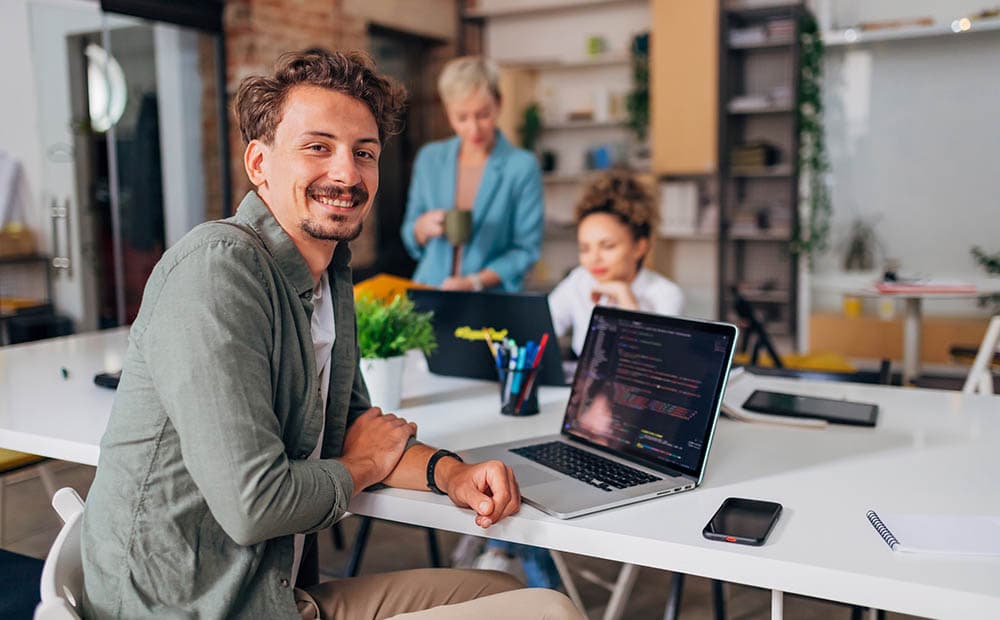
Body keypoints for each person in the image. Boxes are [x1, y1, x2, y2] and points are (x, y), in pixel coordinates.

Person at [80, 48, 580, 620]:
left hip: (273, 593)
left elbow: (359, 433)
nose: (346, 173)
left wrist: (454, 474)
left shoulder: (329, 274)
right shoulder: (217, 272)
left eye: (363, 153)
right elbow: (256, 505)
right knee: (549, 616)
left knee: (514, 596)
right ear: (259, 163)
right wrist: (363, 465)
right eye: (318, 147)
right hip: (197, 607)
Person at [400, 56, 543, 292]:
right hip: (430, 290)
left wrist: (475, 282)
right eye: (462, 117)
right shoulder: (430, 158)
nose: (473, 128)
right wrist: (420, 228)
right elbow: (409, 233)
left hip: (490, 298)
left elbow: (525, 250)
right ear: (448, 112)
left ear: (499, 103)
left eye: (483, 114)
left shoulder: (521, 167)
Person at [549, 170, 684, 357]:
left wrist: (625, 297)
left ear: (639, 247)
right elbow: (544, 328)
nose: (594, 258)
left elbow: (651, 361)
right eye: (585, 249)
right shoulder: (579, 279)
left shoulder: (666, 294)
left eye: (608, 246)